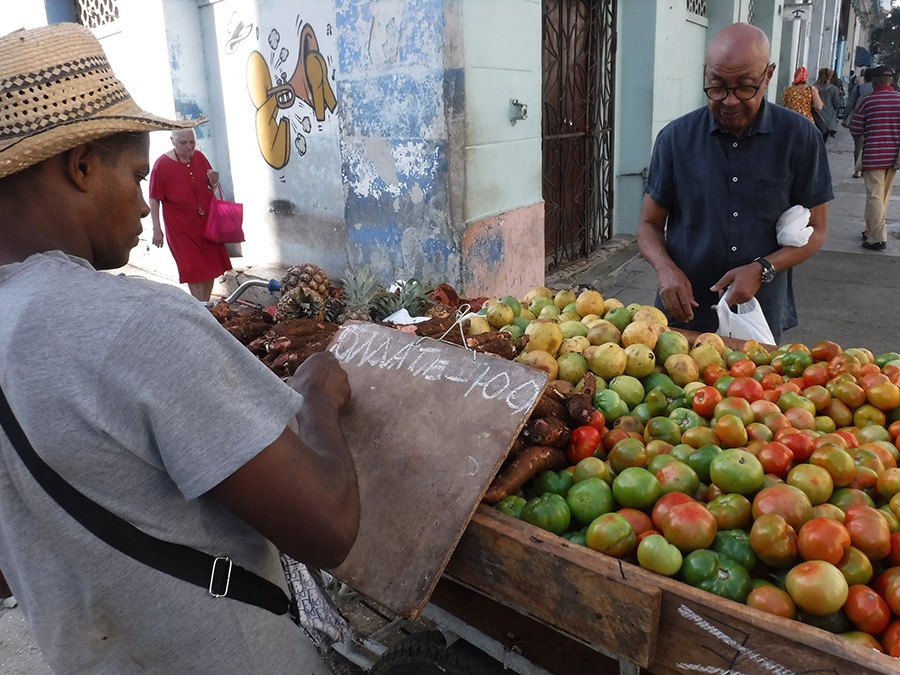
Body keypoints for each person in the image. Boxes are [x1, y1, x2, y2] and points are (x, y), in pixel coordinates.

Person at [0, 23, 359, 673]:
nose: (144, 207)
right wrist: (317, 399)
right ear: (81, 165)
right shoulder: (136, 324)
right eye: (135, 176)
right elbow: (329, 527)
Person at [637, 23, 832, 344]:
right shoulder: (675, 139)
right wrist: (664, 268)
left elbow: (818, 231)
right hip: (684, 312)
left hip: (758, 313)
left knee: (753, 393)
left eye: (745, 87)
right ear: (705, 76)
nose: (729, 101)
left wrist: (762, 269)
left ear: (768, 76)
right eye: (717, 87)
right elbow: (648, 224)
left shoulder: (800, 138)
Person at [149, 128, 232, 301]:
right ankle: (200, 305)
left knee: (210, 266)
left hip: (206, 223)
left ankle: (205, 303)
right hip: (181, 227)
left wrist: (214, 180)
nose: (189, 146)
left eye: (192, 142)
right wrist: (156, 228)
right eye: (183, 142)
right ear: (173, 141)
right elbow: (154, 198)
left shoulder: (200, 157)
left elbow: (210, 188)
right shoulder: (162, 165)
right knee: (193, 268)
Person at [849, 64, 900, 251]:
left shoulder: (867, 101)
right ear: (891, 81)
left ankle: (877, 238)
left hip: (874, 156)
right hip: (894, 158)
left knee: (874, 196)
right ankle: (871, 229)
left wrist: (863, 137)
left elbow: (855, 128)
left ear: (875, 83)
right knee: (883, 197)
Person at [843, 67, 873, 177]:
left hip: (858, 119)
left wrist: (844, 117)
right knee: (869, 146)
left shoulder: (859, 88)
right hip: (872, 120)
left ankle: (857, 170)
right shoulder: (877, 89)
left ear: (864, 77)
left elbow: (850, 103)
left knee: (858, 146)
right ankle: (867, 169)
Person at [814, 67, 844, 143]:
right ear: (830, 76)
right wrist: (841, 96)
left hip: (816, 117)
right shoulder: (833, 89)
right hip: (828, 120)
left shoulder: (813, 87)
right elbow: (837, 104)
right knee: (823, 142)